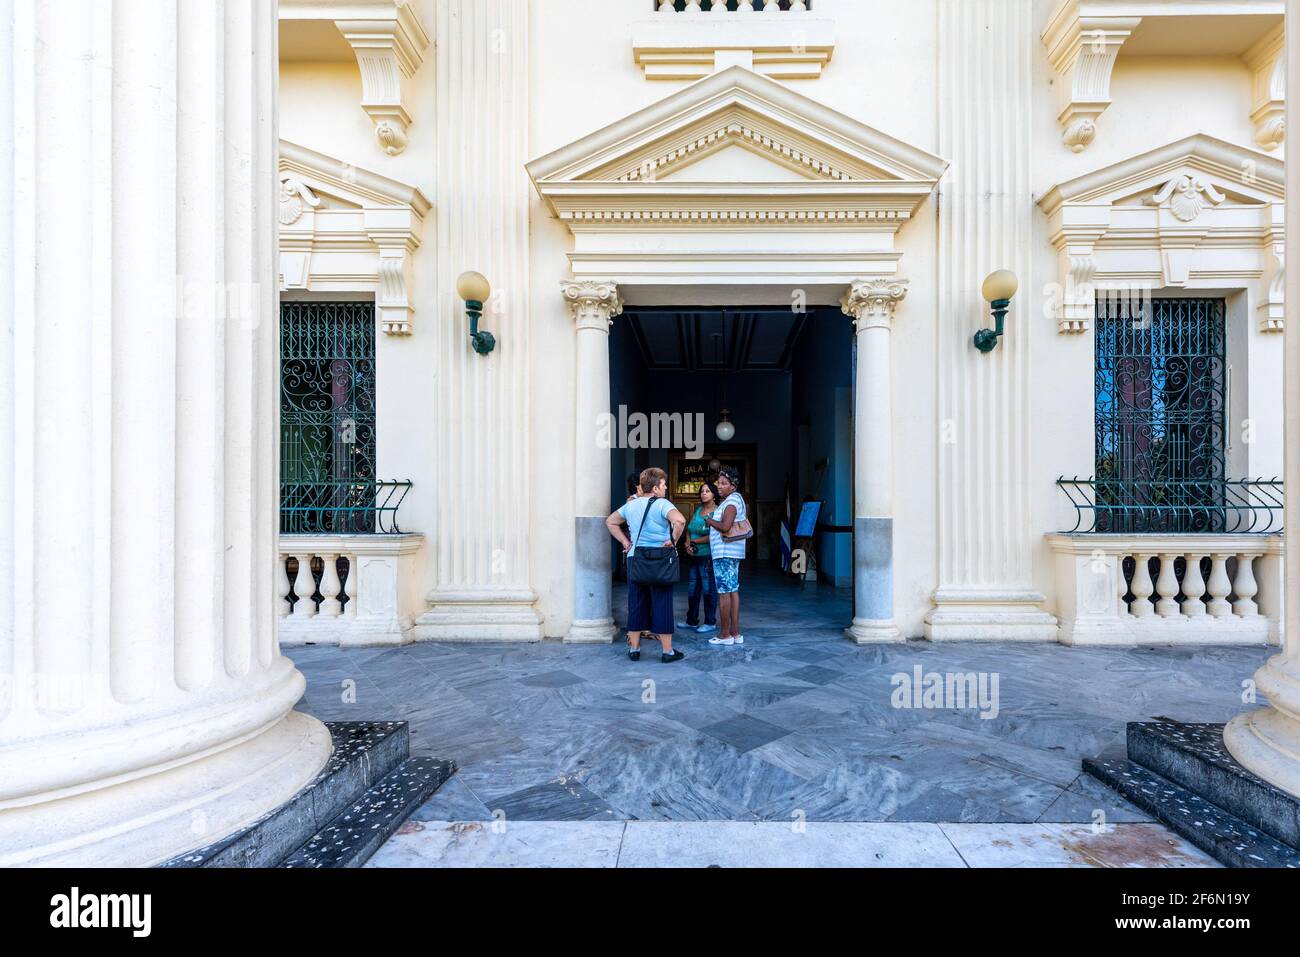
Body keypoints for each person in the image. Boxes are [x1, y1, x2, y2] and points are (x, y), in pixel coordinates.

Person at [606, 468, 687, 663]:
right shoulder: (662, 504)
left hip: (636, 558)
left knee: (636, 602)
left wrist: (626, 543)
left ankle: (634, 649)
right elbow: (680, 520)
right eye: (664, 484)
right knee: (662, 602)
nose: (666, 487)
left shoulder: (631, 505)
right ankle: (667, 652)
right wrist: (672, 539)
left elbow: (610, 522)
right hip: (660, 559)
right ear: (656, 487)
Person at [703, 466, 747, 646]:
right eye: (718, 482)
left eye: (723, 483)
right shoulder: (735, 500)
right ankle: (735, 633)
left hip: (724, 554)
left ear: (733, 486)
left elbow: (726, 527)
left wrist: (709, 519)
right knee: (732, 591)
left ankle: (724, 635)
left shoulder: (731, 502)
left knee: (724, 594)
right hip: (731, 553)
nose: (719, 486)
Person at [678, 482, 720, 634]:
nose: (703, 493)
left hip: (707, 555)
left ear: (714, 494)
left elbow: (714, 536)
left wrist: (694, 541)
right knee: (692, 590)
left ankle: (710, 622)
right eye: (702, 491)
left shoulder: (717, 512)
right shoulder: (699, 510)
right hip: (694, 556)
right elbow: (689, 529)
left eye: (707, 491)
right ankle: (692, 621)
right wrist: (688, 542)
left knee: (708, 590)